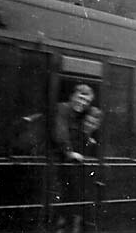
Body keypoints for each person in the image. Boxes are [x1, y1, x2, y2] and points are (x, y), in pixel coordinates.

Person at [52, 84, 96, 233]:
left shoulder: (79, 116)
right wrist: (70, 152)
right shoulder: (62, 108)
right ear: (72, 96)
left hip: (67, 170)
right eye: (80, 98)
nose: (82, 103)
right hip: (56, 165)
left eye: (86, 102)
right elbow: (60, 133)